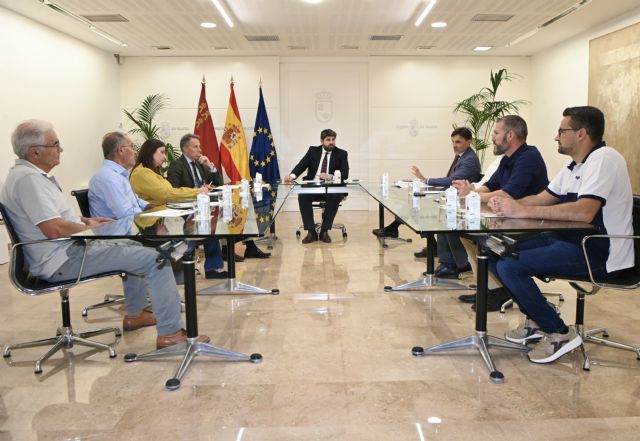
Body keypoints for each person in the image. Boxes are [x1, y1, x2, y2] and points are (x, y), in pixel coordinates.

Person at [0, 119, 208, 349]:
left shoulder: (30, 176)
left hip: (64, 252)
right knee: (157, 259)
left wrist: (84, 220)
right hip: (61, 259)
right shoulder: (29, 180)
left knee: (137, 248)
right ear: (35, 151)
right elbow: (53, 229)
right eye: (55, 144)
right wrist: (86, 228)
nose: (61, 149)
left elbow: (53, 218)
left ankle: (136, 313)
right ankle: (170, 334)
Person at [488, 106, 634, 364]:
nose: (556, 136)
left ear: (581, 133)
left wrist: (521, 211)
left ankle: (559, 333)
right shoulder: (575, 165)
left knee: (510, 266)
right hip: (569, 240)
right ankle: (537, 318)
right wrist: (509, 205)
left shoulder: (604, 159)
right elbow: (542, 198)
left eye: (561, 131)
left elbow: (584, 212)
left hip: (598, 250)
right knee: (494, 251)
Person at [454, 115, 549, 311]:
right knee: (466, 234)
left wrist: (473, 196)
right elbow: (491, 185)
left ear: (510, 135)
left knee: (483, 240)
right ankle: (488, 288)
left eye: (496, 133)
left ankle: (499, 291)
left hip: (530, 223)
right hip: (509, 217)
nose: (492, 137)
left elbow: (508, 193)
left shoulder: (529, 157)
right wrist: (471, 192)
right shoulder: (507, 158)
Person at [372, 127, 482, 278]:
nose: (454, 145)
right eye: (453, 142)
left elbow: (453, 180)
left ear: (469, 141)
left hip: (459, 201)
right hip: (451, 196)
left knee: (427, 211)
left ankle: (449, 262)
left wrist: (426, 180)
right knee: (415, 202)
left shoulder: (469, 160)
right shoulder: (462, 155)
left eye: (458, 142)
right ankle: (440, 254)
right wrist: (425, 180)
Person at [284, 128, 349, 244]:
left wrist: (329, 177)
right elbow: (301, 165)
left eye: (333, 139)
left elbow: (345, 174)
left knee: (334, 196)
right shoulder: (313, 151)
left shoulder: (341, 153)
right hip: (313, 186)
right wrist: (291, 176)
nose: (331, 142)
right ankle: (311, 232)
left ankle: (324, 231)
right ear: (321, 141)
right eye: (328, 140)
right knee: (303, 196)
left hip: (331, 187)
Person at [130, 138, 208, 205]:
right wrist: (196, 192)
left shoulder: (152, 171)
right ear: (150, 152)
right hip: (152, 216)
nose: (165, 157)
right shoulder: (141, 173)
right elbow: (166, 194)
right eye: (162, 152)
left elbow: (169, 192)